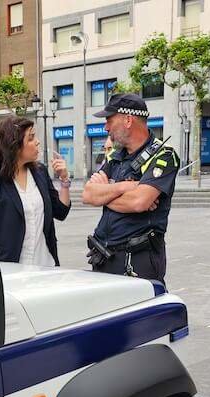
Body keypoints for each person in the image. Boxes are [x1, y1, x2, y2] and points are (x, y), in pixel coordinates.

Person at [82, 93, 179, 283]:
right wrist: (126, 186)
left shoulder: (164, 155)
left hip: (137, 261)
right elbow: (88, 194)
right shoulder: (115, 156)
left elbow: (139, 201)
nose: (106, 127)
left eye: (109, 120)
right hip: (103, 256)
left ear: (128, 120)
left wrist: (107, 191)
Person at [0, 115, 71, 266]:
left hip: (46, 267)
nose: (37, 142)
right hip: (12, 272)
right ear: (15, 145)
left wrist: (64, 180)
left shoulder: (40, 172)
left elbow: (61, 212)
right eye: (31, 138)